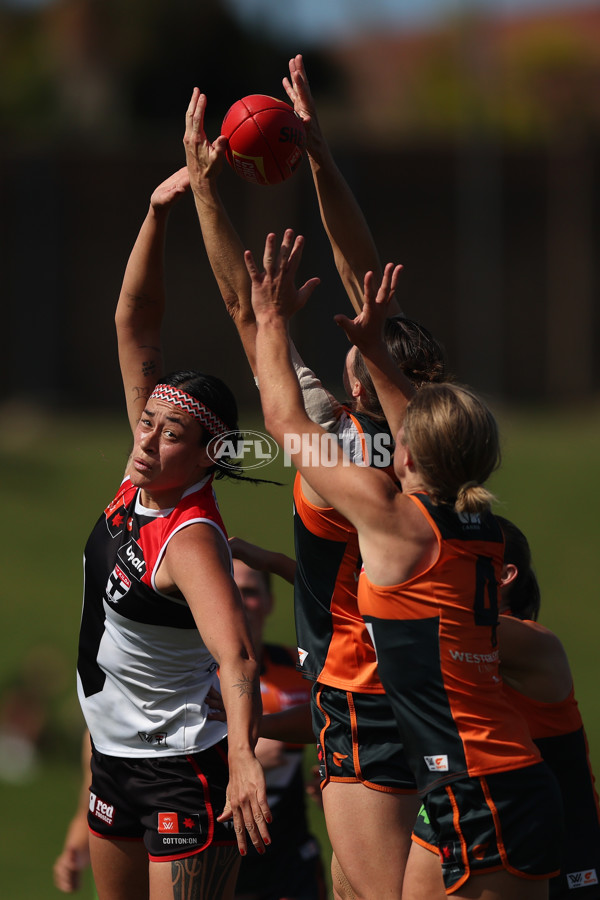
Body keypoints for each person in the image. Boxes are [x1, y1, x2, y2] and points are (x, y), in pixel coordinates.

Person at [183, 68, 445, 900]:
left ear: (363, 382)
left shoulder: (337, 451)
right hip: (441, 686)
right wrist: (323, 161)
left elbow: (238, 303)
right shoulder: (433, 444)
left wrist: (202, 184)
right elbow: (366, 278)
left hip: (365, 700)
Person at [245, 228, 563, 899]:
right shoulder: (477, 527)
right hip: (508, 775)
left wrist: (269, 320)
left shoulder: (397, 527)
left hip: (479, 791)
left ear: (409, 454)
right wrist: (373, 344)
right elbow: (417, 432)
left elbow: (284, 421)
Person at [75, 167, 271, 900]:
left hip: (180, 773)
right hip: (115, 760)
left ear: (209, 456)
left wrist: (246, 762)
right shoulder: (141, 478)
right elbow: (136, 320)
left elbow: (237, 657)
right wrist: (156, 214)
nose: (147, 438)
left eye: (171, 432)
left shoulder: (188, 538)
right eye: (148, 420)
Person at [55, 539, 325, 900]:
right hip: (202, 838)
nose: (240, 601)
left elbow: (342, 711)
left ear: (271, 601)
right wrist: (78, 825)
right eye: (230, 589)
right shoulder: (187, 672)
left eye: (249, 591)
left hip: (284, 868)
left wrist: (326, 760)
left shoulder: (296, 670)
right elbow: (113, 732)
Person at [409, 516, 600, 899]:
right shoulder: (443, 655)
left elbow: (423, 624)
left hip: (560, 836)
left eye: (451, 560)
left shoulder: (536, 644)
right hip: (469, 813)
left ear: (505, 575)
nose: (434, 572)